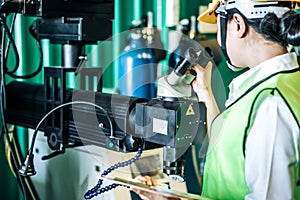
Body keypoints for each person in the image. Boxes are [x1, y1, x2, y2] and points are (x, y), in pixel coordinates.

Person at [134, 0, 300, 199]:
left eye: (219, 25)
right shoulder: (276, 85)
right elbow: (228, 151)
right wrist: (205, 94)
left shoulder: (270, 105)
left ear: (238, 24)